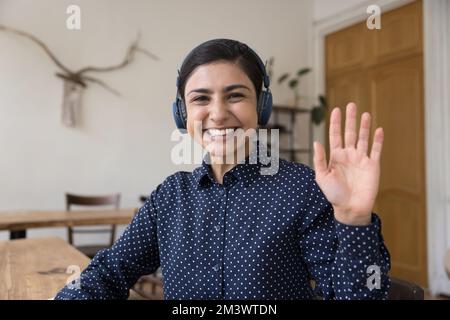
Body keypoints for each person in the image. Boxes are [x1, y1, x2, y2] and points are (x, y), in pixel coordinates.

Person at [55, 39, 390, 300]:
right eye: (200, 99)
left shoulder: (301, 189)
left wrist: (353, 219)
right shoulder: (169, 197)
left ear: (262, 106)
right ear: (182, 115)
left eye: (235, 96)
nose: (217, 114)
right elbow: (110, 272)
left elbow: (358, 295)